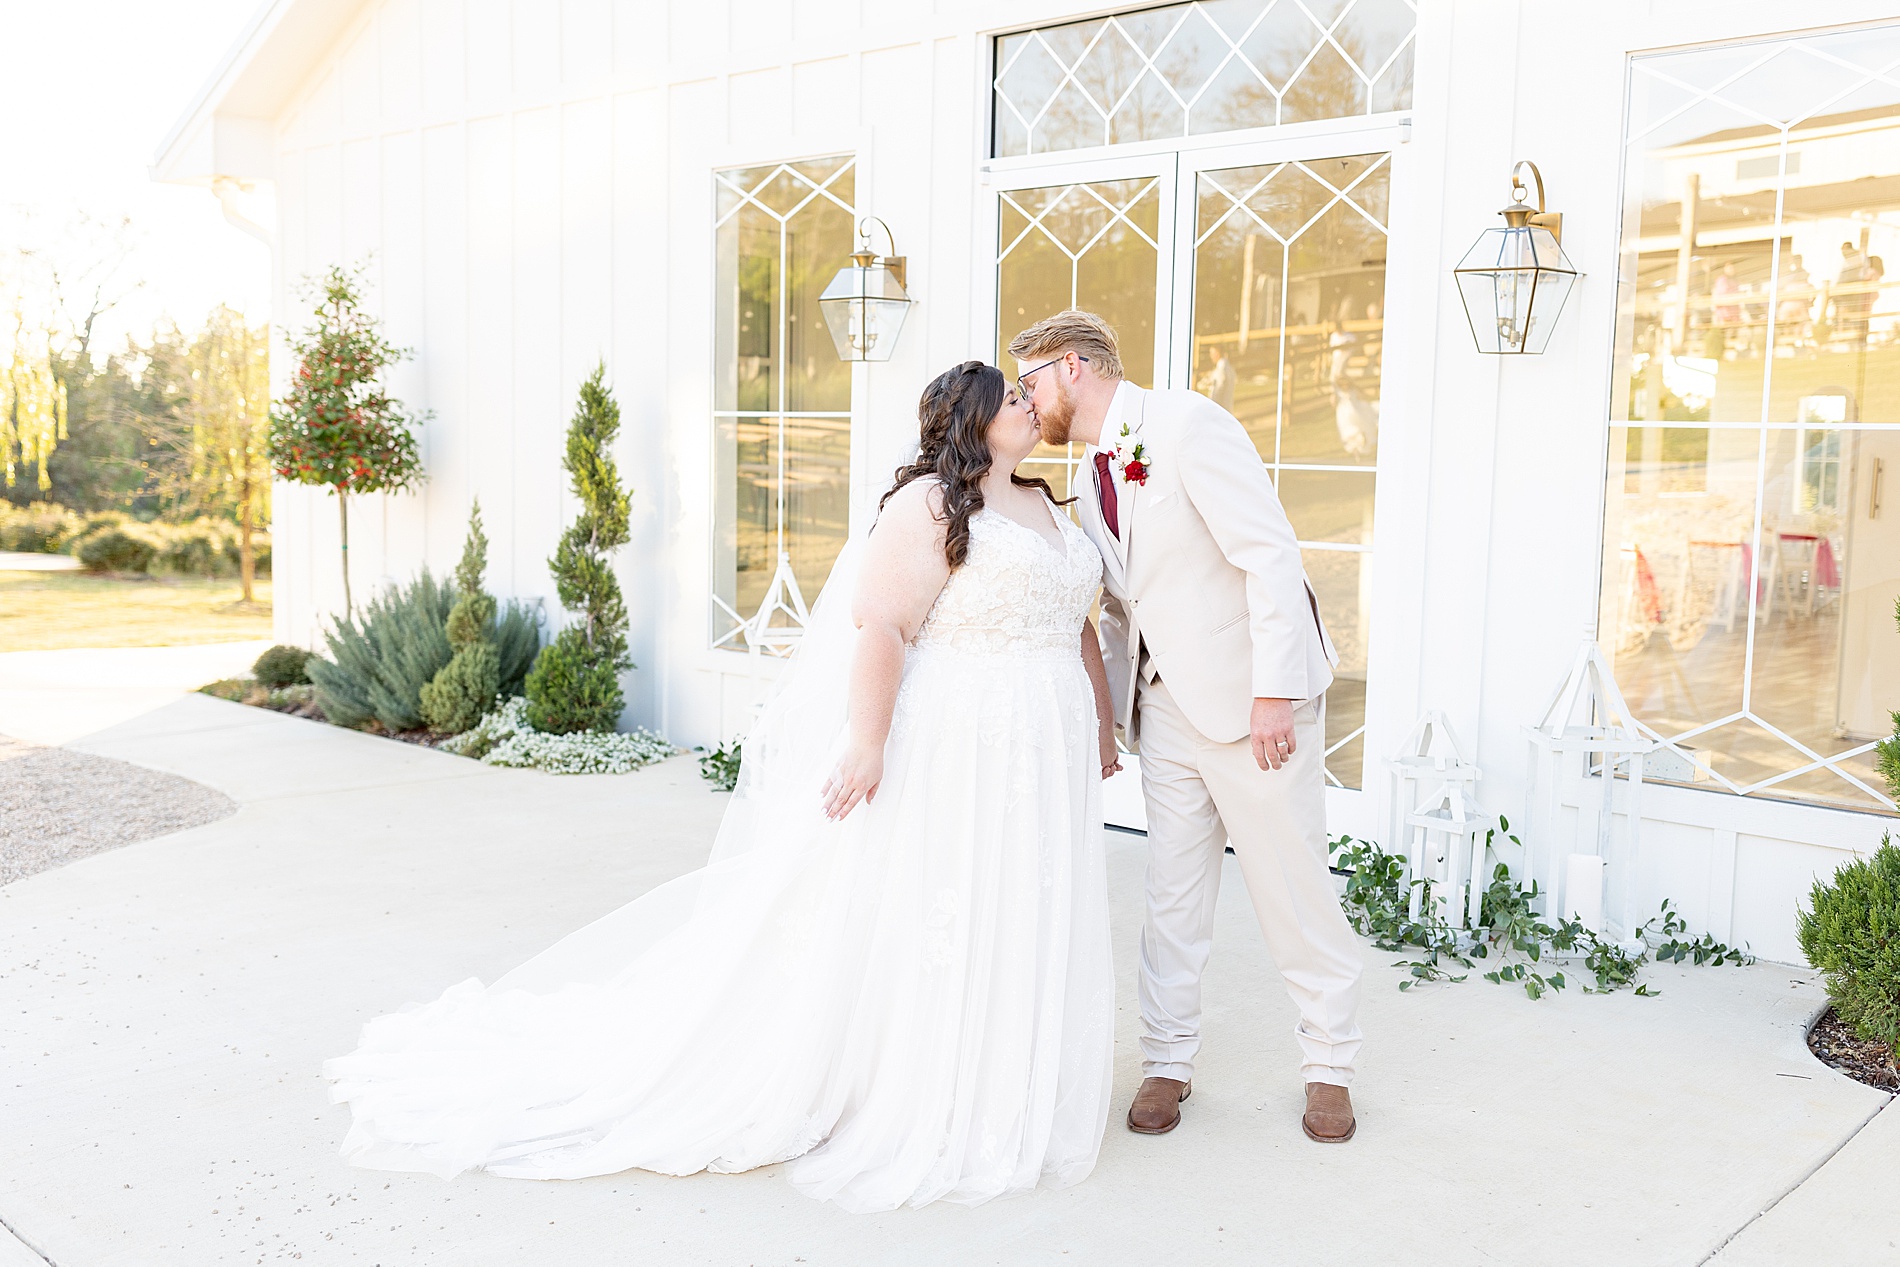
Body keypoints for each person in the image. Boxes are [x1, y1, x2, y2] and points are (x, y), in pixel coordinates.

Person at [325, 362, 1119, 1212]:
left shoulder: (1044, 501)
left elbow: (1072, 626)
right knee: (951, 901)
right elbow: (882, 625)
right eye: (1011, 399)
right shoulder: (930, 505)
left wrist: (1103, 728)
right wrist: (868, 741)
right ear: (970, 420)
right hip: (963, 746)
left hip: (1044, 750)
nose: (1030, 406)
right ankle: (932, 1081)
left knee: (1019, 902)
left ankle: (1005, 1069)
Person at [1009, 309, 1364, 1145]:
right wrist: (1115, 715)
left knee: (1292, 888)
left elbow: (1270, 554)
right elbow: (1118, 602)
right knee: (1171, 894)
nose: (1026, 403)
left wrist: (1274, 693)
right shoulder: (1090, 471)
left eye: (1028, 383)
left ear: (1070, 368)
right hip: (1162, 709)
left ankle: (1330, 1066)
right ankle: (1166, 1060)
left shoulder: (1188, 426)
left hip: (1251, 705)